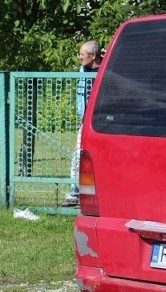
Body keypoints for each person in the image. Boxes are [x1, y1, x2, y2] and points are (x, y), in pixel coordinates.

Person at [64, 40, 103, 206]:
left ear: (93, 55)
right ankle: (74, 192)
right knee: (78, 156)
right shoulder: (84, 70)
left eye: (82, 54)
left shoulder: (105, 70)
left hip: (102, 121)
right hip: (85, 121)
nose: (79, 57)